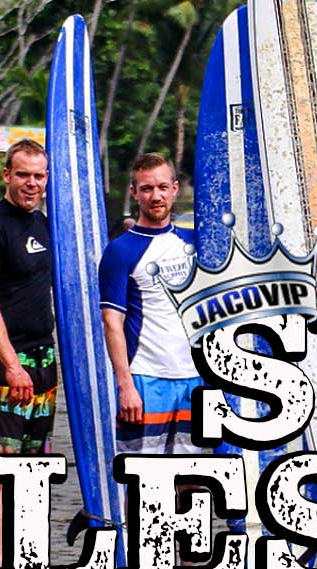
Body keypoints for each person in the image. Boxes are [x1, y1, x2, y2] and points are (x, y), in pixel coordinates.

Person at [0, 139, 57, 569]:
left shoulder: (46, 224)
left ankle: (28, 563)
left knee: (33, 472)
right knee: (3, 472)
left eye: (39, 176)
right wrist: (12, 365)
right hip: (0, 369)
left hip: (43, 365)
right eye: (23, 175)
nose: (31, 184)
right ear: (6, 176)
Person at [99, 153, 200, 457]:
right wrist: (125, 385)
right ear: (134, 193)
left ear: (175, 189)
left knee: (194, 478)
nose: (155, 196)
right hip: (145, 379)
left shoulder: (195, 243)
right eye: (146, 189)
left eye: (161, 187)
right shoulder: (120, 250)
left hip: (193, 380)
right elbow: (111, 322)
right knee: (144, 481)